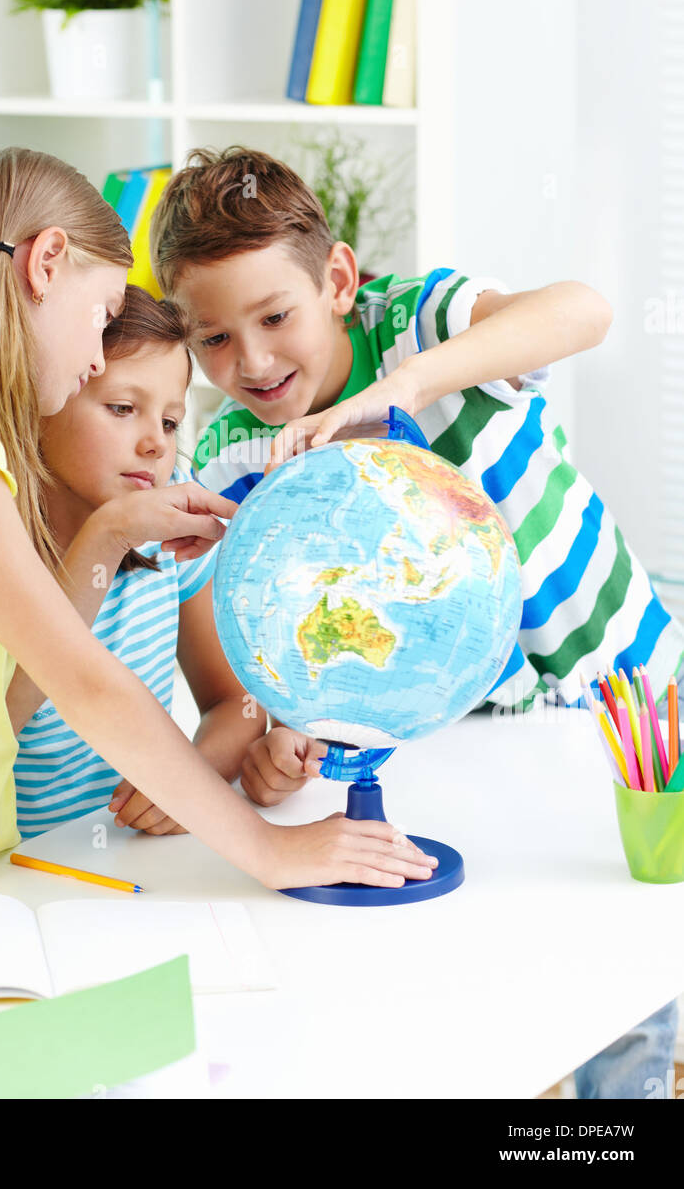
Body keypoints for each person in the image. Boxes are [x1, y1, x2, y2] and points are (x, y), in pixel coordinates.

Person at [149, 144, 682, 1099]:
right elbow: (293, 618)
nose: (255, 361)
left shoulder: (417, 322)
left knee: (624, 962)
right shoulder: (237, 449)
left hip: (616, 691)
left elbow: (584, 312)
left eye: (276, 316)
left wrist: (406, 388)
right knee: (510, 952)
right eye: (214, 339)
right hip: (452, 731)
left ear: (341, 281)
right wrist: (281, 735)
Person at [0, 146, 436, 931]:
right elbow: (83, 681)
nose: (89, 359)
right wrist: (273, 852)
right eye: (102, 315)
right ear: (45, 265)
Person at [13, 283, 302, 838]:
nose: (156, 445)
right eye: (123, 409)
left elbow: (236, 704)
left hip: (130, 866)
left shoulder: (165, 533)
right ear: (43, 398)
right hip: (10, 873)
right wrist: (106, 536)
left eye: (170, 422)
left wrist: (189, 777)